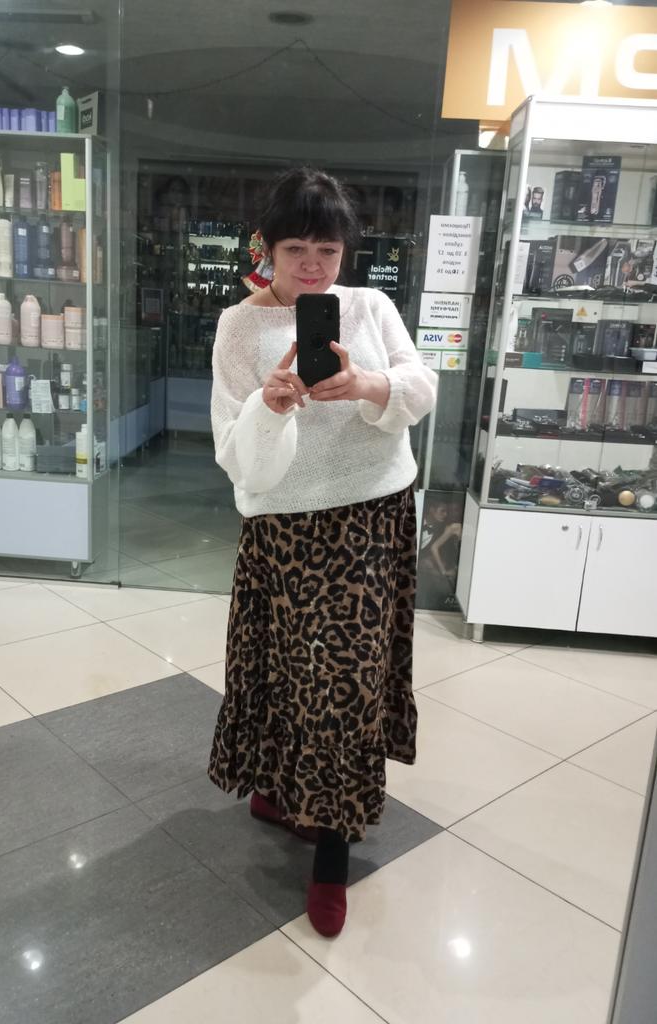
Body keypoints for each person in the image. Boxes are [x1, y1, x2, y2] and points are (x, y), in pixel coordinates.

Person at [207, 167, 438, 937]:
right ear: (266, 248)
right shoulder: (238, 328)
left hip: (370, 519)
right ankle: (278, 788)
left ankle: (332, 848)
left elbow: (419, 385)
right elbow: (236, 456)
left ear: (345, 252)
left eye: (327, 251)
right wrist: (268, 409)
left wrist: (368, 385)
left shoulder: (369, 307)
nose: (312, 266)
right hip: (283, 531)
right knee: (281, 670)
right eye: (295, 249)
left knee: (345, 685)